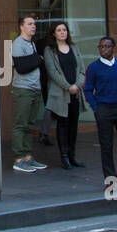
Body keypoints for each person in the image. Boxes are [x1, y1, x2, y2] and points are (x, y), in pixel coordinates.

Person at [83, 36, 117, 192]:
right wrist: (95, 107)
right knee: (106, 145)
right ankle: (110, 179)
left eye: (106, 46)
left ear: (113, 48)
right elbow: (87, 90)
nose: (103, 49)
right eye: (101, 47)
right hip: (104, 109)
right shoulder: (93, 67)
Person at [43, 22, 87, 169]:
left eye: (64, 30)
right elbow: (53, 72)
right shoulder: (50, 50)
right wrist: (68, 87)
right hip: (61, 94)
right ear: (54, 33)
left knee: (73, 125)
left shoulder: (74, 48)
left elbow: (81, 68)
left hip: (75, 93)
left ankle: (73, 155)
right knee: (62, 125)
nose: (62, 32)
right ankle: (64, 157)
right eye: (59, 30)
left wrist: (77, 85)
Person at [10, 15, 47, 173]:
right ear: (21, 27)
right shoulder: (18, 43)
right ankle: (18, 158)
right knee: (21, 124)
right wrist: (38, 59)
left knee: (30, 124)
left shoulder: (31, 43)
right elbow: (21, 67)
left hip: (34, 88)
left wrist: (35, 59)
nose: (33, 26)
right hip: (23, 89)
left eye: (34, 24)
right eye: (29, 24)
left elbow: (30, 63)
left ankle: (27, 156)